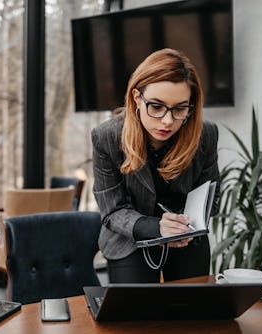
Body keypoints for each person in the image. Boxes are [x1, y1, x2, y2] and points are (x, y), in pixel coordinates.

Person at [91, 48, 220, 283]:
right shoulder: (106, 136)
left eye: (180, 108)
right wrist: (156, 229)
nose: (168, 120)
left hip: (186, 234)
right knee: (136, 316)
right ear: (136, 98)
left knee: (193, 313)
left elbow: (210, 195)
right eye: (157, 106)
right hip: (128, 239)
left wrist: (187, 224)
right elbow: (112, 212)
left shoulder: (206, 134)